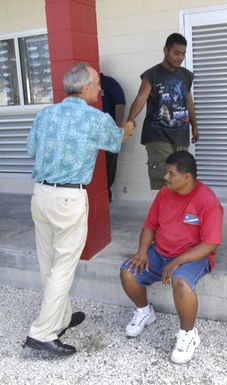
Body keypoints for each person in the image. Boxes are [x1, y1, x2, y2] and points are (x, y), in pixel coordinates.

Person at [25, 63, 134, 357]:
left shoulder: (45, 114)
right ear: (85, 88)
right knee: (63, 266)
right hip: (68, 199)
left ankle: (59, 318)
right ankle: (42, 333)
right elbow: (114, 143)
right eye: (97, 84)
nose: (99, 89)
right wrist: (127, 128)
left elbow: (31, 150)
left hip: (40, 194)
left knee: (48, 262)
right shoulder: (94, 117)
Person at [120, 151, 223, 364]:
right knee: (128, 272)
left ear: (187, 177)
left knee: (181, 283)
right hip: (160, 252)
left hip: (193, 255)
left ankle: (188, 334)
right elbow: (150, 226)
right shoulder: (164, 194)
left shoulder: (207, 199)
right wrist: (141, 252)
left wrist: (178, 261)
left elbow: (210, 243)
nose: (165, 177)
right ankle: (144, 311)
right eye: (166, 172)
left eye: (170, 173)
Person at [127, 33, 199, 190]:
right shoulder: (152, 75)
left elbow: (189, 103)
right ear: (165, 50)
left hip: (181, 137)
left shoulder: (186, 76)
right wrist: (130, 120)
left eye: (183, 54)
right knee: (166, 182)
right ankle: (165, 214)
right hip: (157, 135)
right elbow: (140, 99)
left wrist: (194, 126)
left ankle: (176, 214)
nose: (180, 57)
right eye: (176, 53)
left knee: (180, 182)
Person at [100, 73, 126, 202]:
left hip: (109, 134)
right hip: (91, 136)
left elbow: (120, 104)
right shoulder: (82, 86)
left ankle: (106, 196)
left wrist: (117, 129)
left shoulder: (108, 82)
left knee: (109, 166)